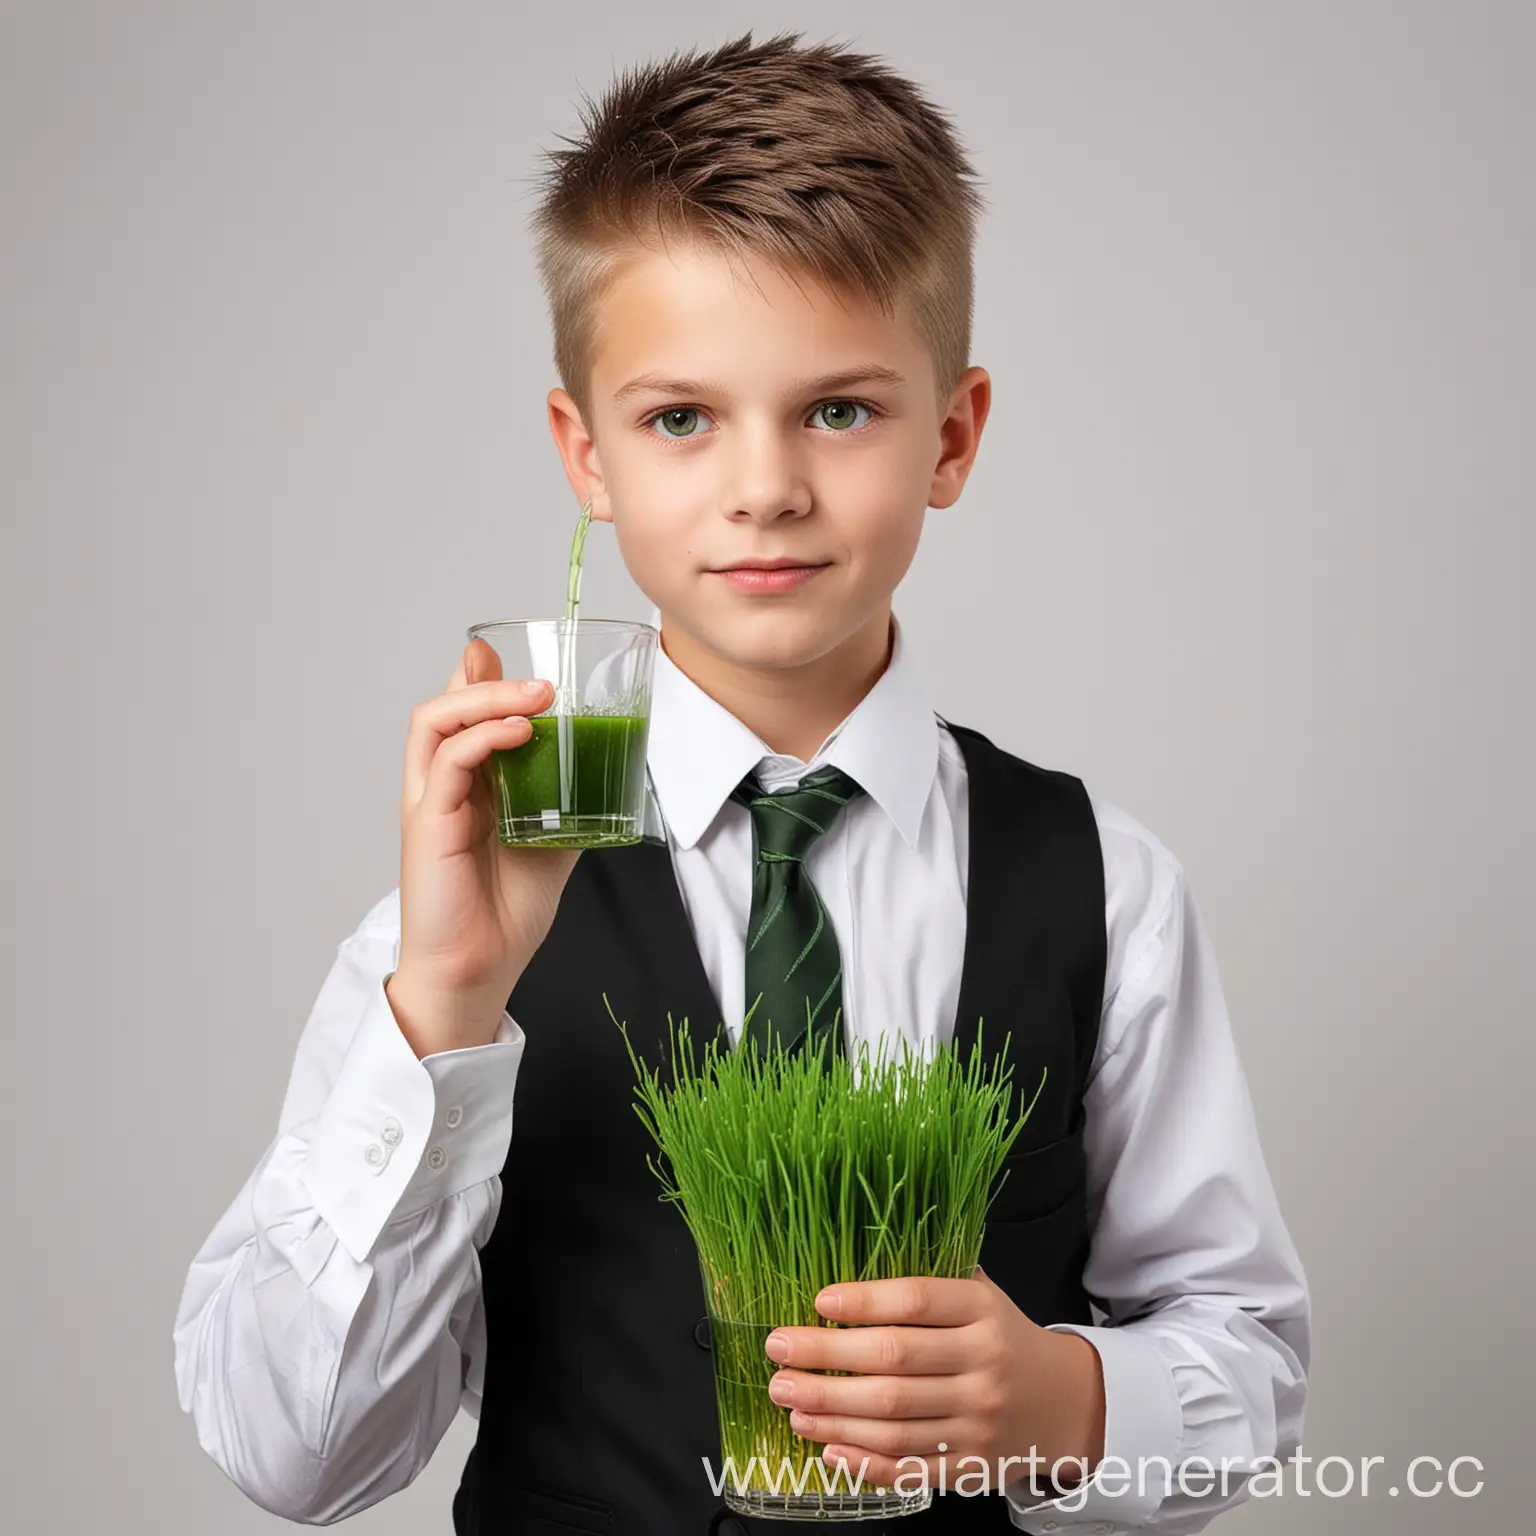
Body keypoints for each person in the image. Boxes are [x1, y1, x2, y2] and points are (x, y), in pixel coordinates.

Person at [174, 31, 1309, 1535]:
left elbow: (1247, 1348)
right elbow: (292, 1458)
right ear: (587, 453)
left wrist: (1067, 1402)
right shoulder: (467, 919)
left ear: (952, 436)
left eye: (839, 409)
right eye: (680, 418)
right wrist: (443, 1009)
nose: (764, 484)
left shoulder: (1105, 884)